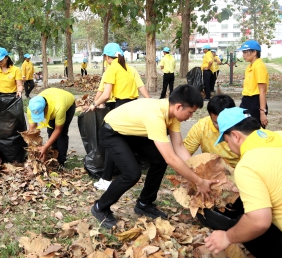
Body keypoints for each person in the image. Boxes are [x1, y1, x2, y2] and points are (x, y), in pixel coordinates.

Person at [90, 84, 216, 229]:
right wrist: (199, 181)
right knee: (132, 173)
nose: (191, 117)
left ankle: (144, 203)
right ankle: (100, 207)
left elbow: (179, 147)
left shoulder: (172, 114)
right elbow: (172, 158)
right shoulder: (155, 116)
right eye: (190, 112)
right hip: (112, 132)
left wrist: (197, 173)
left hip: (132, 132)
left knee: (159, 159)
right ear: (179, 107)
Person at [205, 107, 282, 258]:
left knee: (244, 227)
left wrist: (226, 237)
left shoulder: (248, 165)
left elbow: (259, 222)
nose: (229, 147)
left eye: (227, 141)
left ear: (235, 136)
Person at [89, 42, 149, 191]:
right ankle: (130, 170)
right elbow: (140, 88)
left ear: (106, 57)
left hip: (121, 107)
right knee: (125, 141)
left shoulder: (112, 68)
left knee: (111, 141)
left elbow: (106, 94)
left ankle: (106, 179)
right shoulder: (128, 68)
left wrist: (94, 104)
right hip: (133, 106)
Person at [183, 94, 238, 167]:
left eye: (225, 122)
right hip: (211, 170)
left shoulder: (244, 128)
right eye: (216, 123)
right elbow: (184, 153)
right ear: (210, 116)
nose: (221, 126)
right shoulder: (201, 126)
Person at [27, 88, 75, 166]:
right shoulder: (32, 107)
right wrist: (34, 148)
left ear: (46, 108)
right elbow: (32, 130)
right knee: (50, 131)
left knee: (61, 134)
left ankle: (60, 162)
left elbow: (58, 130)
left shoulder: (59, 107)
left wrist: (45, 146)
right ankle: (52, 155)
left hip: (67, 104)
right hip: (52, 97)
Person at [238, 40, 269, 128]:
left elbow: (262, 91)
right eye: (243, 52)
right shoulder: (250, 67)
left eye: (245, 52)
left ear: (254, 52)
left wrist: (262, 112)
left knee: (254, 131)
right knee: (243, 128)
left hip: (255, 103)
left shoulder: (259, 67)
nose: (243, 55)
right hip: (246, 101)